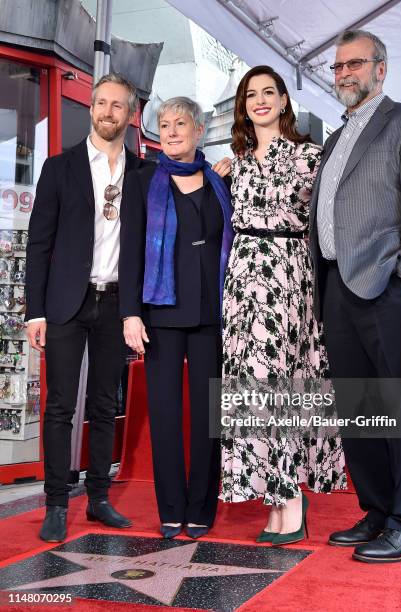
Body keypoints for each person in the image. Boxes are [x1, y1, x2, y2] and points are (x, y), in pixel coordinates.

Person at [309, 29, 401, 563]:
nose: (343, 74)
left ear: (380, 69)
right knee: (359, 411)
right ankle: (380, 511)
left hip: (386, 286)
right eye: (337, 67)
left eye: (354, 64)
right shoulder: (336, 139)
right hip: (337, 287)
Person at [220, 65, 346, 546]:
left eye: (269, 92)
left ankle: (292, 500)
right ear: (243, 105)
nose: (260, 101)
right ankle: (275, 498)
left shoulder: (311, 156)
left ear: (285, 100)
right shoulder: (236, 162)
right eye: (251, 94)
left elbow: (332, 219)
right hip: (243, 277)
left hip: (289, 277)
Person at [25, 73, 147, 542]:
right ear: (92, 108)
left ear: (129, 114)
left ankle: (98, 499)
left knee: (101, 404)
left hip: (116, 305)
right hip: (65, 305)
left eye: (117, 105)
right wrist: (36, 311)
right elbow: (40, 244)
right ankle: (56, 502)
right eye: (101, 103)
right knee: (59, 405)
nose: (107, 112)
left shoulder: (143, 173)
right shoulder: (60, 168)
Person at [119, 97, 233, 540]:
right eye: (163, 125)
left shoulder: (222, 181)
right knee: (165, 416)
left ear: (199, 131)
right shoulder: (144, 181)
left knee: (209, 416)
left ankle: (203, 506)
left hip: (210, 314)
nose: (169, 132)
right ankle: (171, 508)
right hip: (159, 314)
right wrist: (130, 311)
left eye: (179, 124)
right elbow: (130, 251)